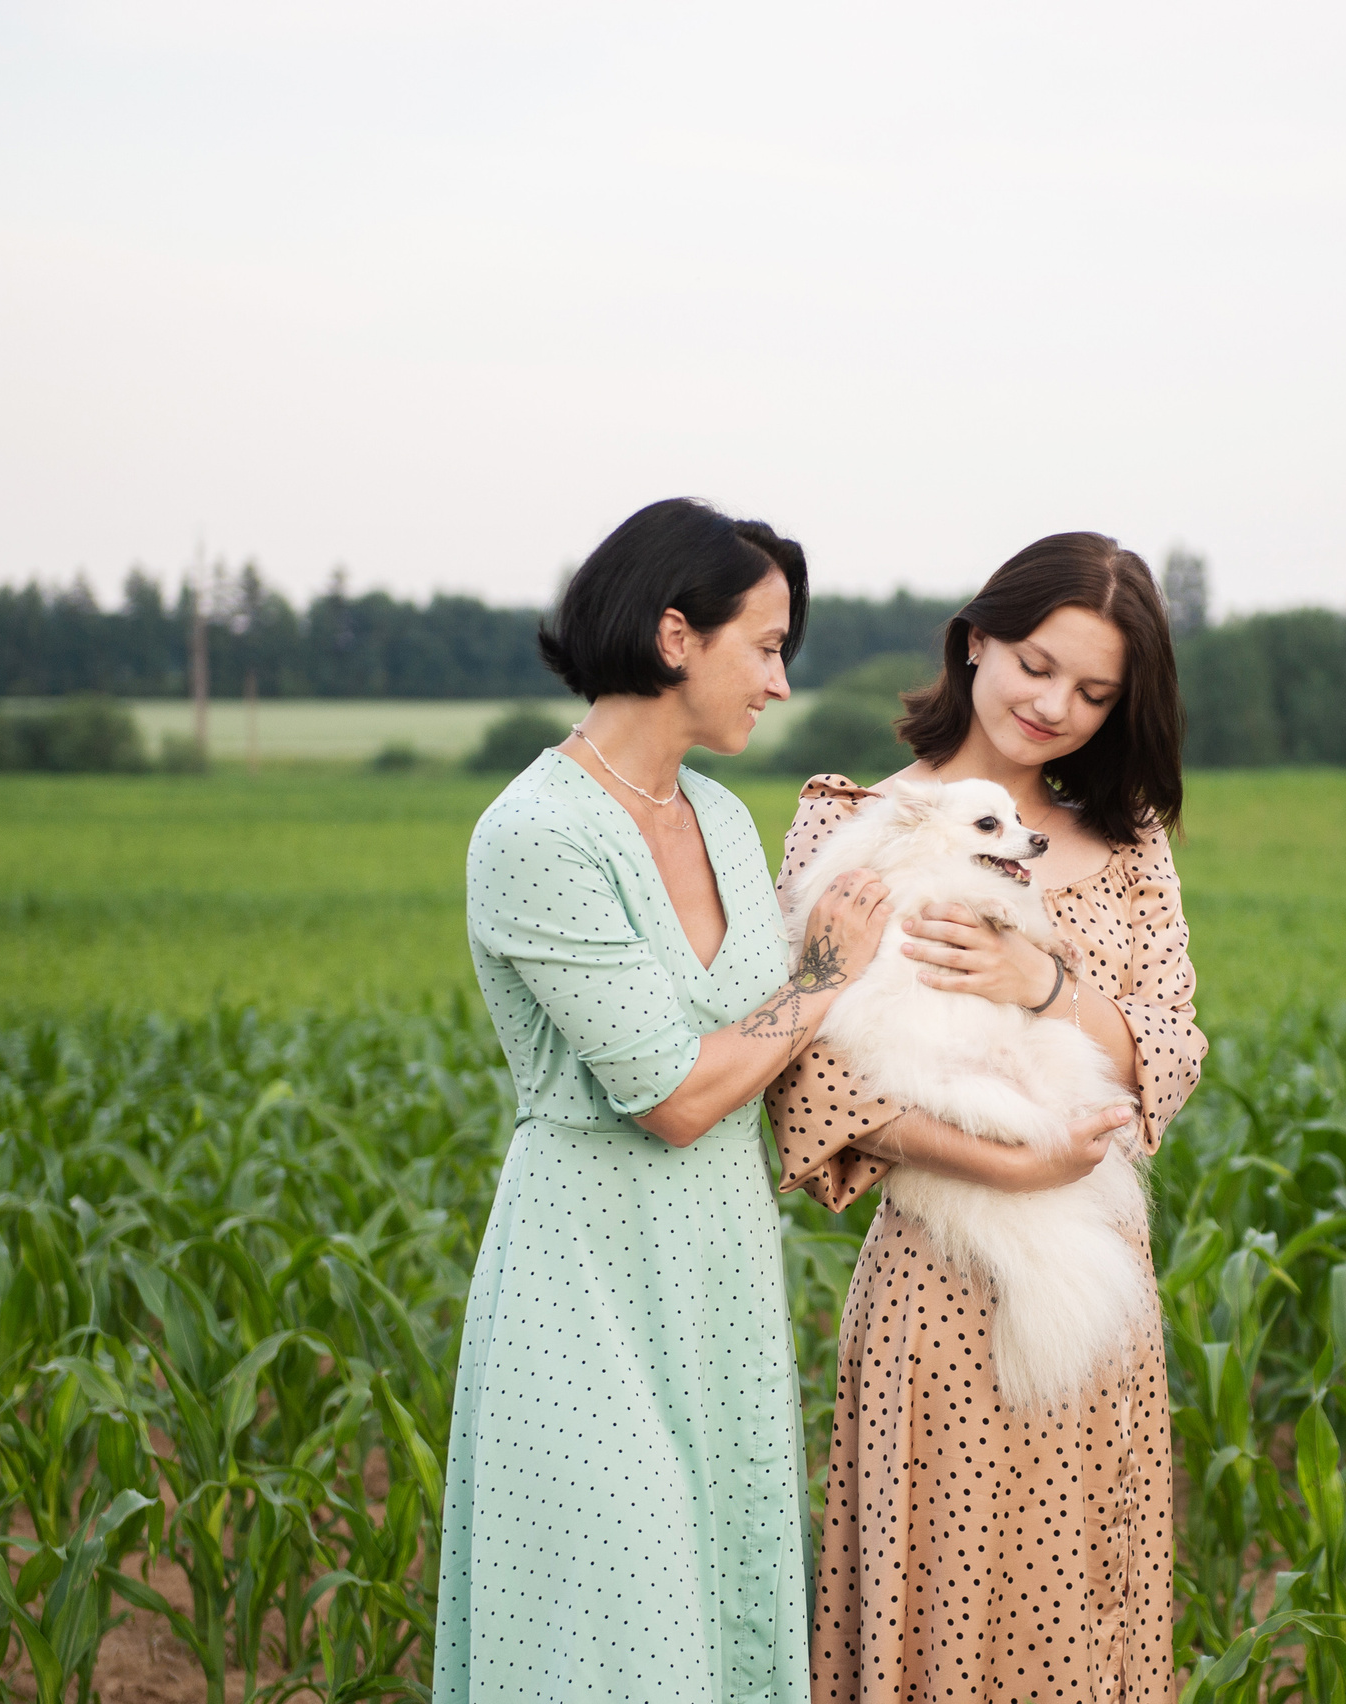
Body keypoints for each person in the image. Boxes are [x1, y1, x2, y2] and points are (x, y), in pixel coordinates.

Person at [435, 497, 896, 1704]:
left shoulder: (726, 821)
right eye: (767, 647)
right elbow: (676, 1098)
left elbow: (773, 1060)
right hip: (586, 1278)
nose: (781, 684)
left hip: (721, 1274)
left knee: (724, 1609)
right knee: (612, 1630)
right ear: (675, 635)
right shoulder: (536, 832)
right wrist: (822, 981)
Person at [767, 533, 1205, 1703]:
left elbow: (1171, 1045)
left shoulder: (1129, 850)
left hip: (1097, 1285)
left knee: (1079, 1613)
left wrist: (1044, 985)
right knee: (943, 1613)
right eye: (1036, 665)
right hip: (940, 1284)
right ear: (975, 642)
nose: (1053, 706)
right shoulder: (852, 825)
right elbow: (813, 1081)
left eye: (1093, 693)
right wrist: (1011, 1166)